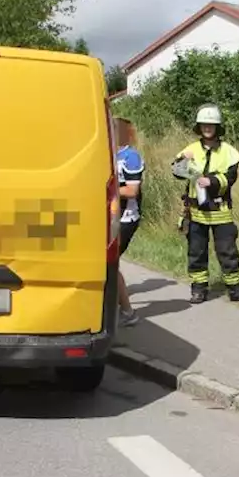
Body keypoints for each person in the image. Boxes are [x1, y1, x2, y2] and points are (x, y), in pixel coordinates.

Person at [172, 104, 239, 304]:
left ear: (217, 127)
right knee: (196, 251)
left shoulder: (229, 152)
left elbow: (231, 177)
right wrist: (182, 160)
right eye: (204, 125)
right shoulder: (190, 149)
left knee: (228, 251)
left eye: (212, 125)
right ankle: (199, 289)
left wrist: (212, 182)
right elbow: (176, 172)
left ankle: (235, 289)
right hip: (195, 211)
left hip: (220, 210)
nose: (208, 128)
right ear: (199, 127)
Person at [114, 117, 144, 327]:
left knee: (108, 265)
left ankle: (128, 312)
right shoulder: (108, 154)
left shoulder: (130, 156)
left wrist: (101, 190)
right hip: (111, 217)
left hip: (126, 218)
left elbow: (132, 190)